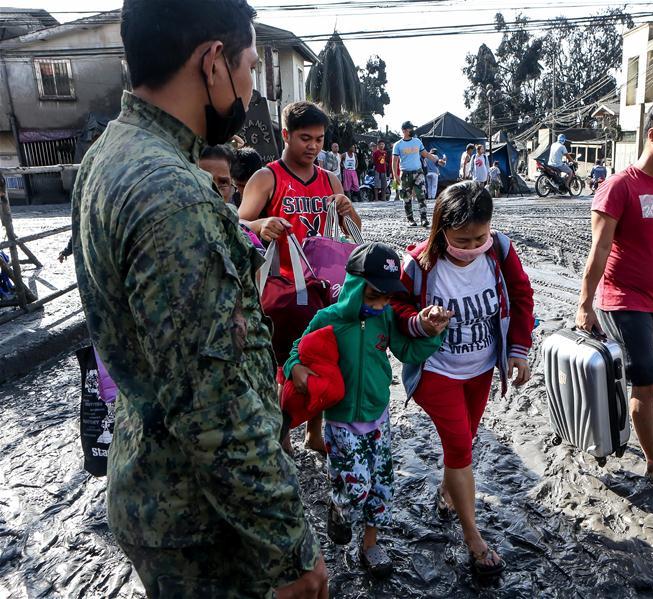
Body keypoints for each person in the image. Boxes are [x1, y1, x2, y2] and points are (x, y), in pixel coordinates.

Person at [70, 1, 328, 596]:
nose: (249, 89)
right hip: (203, 520)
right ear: (214, 62)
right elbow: (213, 404)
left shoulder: (109, 155)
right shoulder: (174, 194)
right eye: (250, 68)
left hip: (156, 486)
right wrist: (290, 547)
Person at [391, 181, 535, 581]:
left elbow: (522, 297)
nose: (472, 247)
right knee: (459, 448)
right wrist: (420, 322)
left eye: (479, 238)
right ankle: (474, 539)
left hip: (481, 370)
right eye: (461, 240)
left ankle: (446, 493)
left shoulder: (501, 252)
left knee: (464, 444)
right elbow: (395, 308)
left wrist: (518, 350)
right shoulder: (419, 264)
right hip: (436, 373)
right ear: (440, 230)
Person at [284, 242, 449, 577]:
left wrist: (432, 334)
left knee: (381, 485)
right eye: (374, 296)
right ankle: (340, 506)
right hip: (342, 423)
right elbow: (295, 351)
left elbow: (407, 351)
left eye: (387, 297)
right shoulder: (327, 319)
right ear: (355, 286)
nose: (381, 304)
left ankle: (371, 544)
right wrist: (295, 369)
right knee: (355, 486)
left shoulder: (385, 317)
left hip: (379, 418)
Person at [576, 95, 653, 499]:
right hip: (623, 300)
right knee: (646, 381)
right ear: (652, 135)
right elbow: (599, 251)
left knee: (635, 379)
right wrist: (584, 303)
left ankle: (620, 431)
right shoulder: (618, 187)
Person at [239, 100, 361, 454]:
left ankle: (313, 431)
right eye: (305, 138)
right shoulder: (267, 177)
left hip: (322, 289)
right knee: (285, 365)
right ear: (286, 135)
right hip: (282, 291)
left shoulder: (330, 179)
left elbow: (349, 233)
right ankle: (283, 434)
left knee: (323, 361)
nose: (313, 146)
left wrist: (349, 212)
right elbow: (236, 223)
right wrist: (260, 224)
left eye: (320, 139)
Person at [392, 120, 440, 227]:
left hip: (418, 173)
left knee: (421, 196)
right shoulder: (398, 145)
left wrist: (437, 161)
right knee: (406, 198)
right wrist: (395, 175)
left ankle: (424, 219)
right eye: (410, 128)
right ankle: (411, 219)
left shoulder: (417, 141)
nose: (412, 130)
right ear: (404, 130)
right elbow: (394, 161)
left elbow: (426, 154)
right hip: (405, 174)